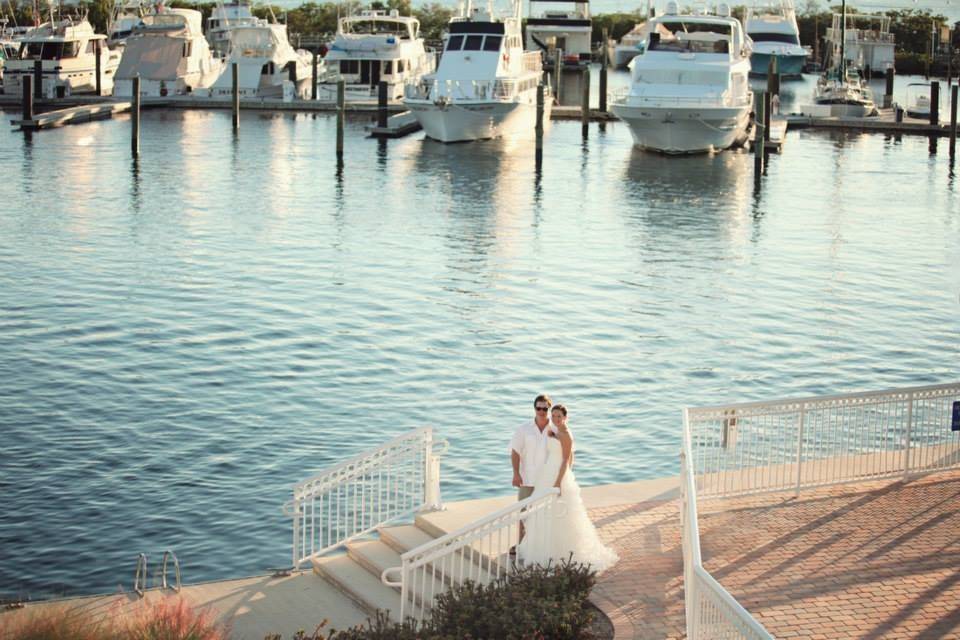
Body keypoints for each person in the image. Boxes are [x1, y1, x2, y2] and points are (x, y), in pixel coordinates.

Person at [517, 404, 618, 573]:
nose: (556, 419)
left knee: (561, 514)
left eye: (559, 416)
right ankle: (543, 551)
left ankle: (561, 553)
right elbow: (568, 456)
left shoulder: (566, 434)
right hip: (547, 473)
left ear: (565, 417)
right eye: (554, 415)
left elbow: (565, 460)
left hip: (558, 475)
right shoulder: (555, 431)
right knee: (542, 512)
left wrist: (558, 482)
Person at [509, 394, 556, 552]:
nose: (541, 411)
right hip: (527, 479)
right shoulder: (524, 429)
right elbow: (515, 452)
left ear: (549, 409)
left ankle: (542, 545)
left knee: (546, 514)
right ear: (534, 408)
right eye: (539, 408)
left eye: (545, 408)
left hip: (547, 480)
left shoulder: (555, 429)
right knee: (523, 514)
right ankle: (521, 545)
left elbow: (566, 454)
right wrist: (516, 473)